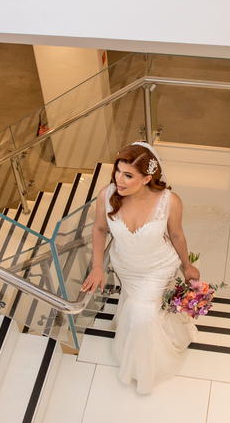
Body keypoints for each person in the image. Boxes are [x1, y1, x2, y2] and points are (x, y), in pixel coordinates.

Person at [80, 142, 200, 394]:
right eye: (117, 171)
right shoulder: (106, 195)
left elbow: (176, 235)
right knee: (137, 307)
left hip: (158, 266)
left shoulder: (169, 202)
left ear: (146, 178)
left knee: (142, 315)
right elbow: (99, 229)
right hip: (126, 266)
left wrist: (187, 267)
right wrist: (97, 267)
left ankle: (142, 371)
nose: (118, 180)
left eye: (128, 175)